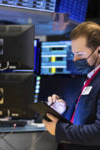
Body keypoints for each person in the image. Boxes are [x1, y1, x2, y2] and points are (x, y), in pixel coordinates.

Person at [43, 21, 100, 150]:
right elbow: (84, 119)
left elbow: (98, 132)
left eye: (79, 54)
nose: (75, 60)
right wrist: (63, 112)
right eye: (74, 54)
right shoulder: (91, 77)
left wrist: (59, 130)